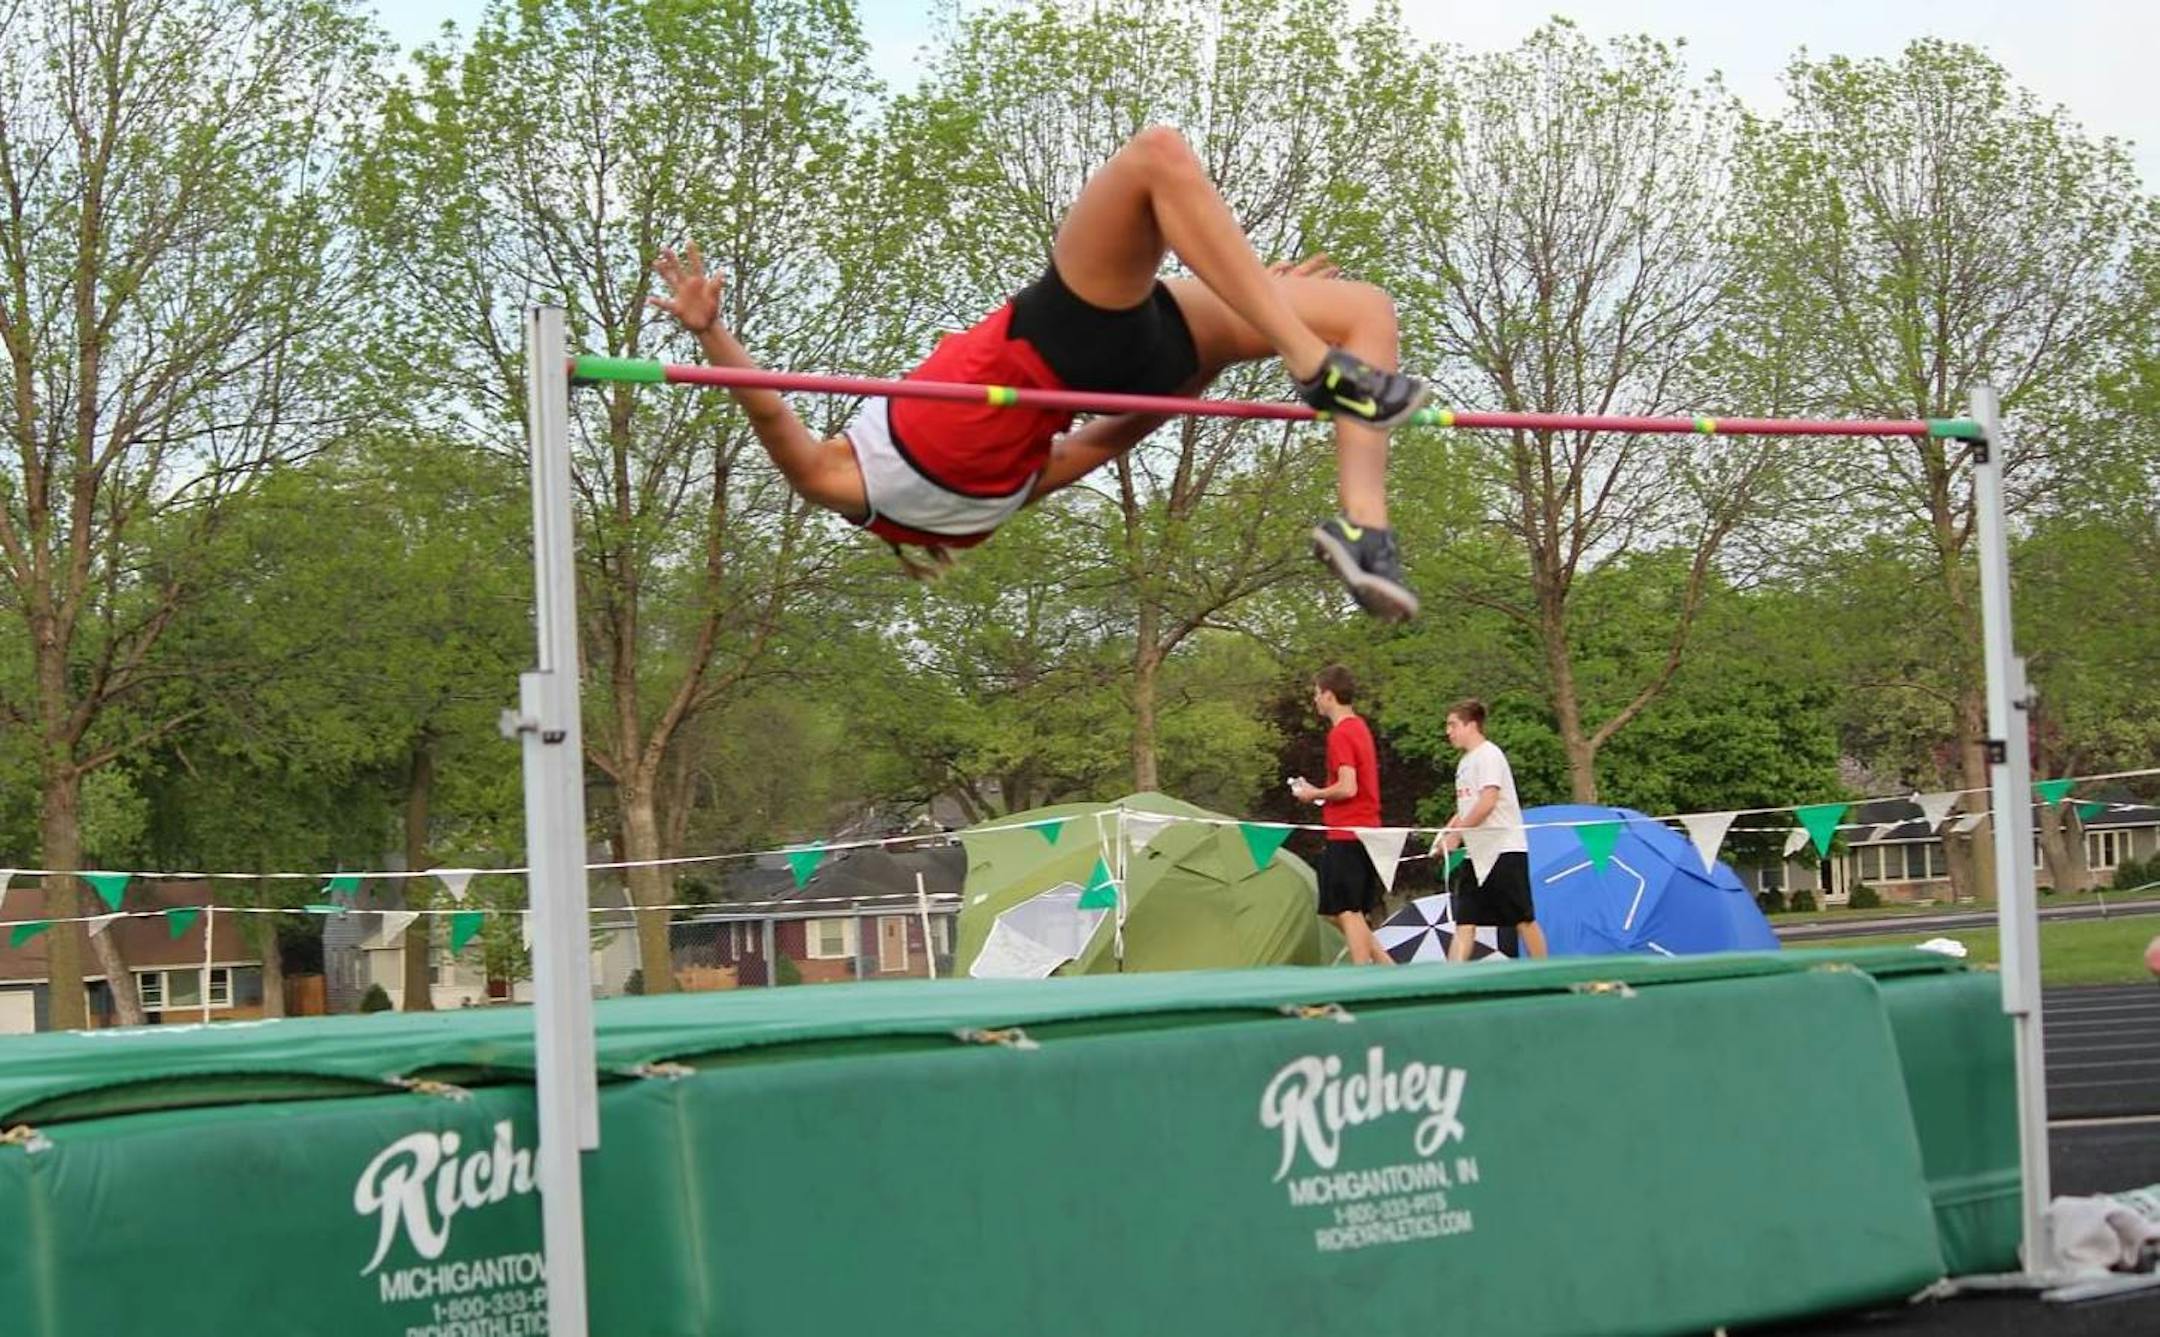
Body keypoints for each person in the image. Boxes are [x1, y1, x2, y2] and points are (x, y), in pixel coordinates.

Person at [647, 124, 1426, 619]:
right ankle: (1309, 365)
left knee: (1361, 311)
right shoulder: (851, 485)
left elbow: (1109, 439)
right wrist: (713, 335)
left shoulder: (988, 508)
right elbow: (770, 416)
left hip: (1140, 364)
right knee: (1157, 156)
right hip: (1069, 333)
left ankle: (1367, 530)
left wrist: (1228, 336)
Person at [1289, 665, 1396, 965]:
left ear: (1329, 695)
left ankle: (1362, 974)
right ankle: (1387, 965)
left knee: (1347, 911)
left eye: (1316, 694)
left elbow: (1348, 787)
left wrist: (1313, 794)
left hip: (1348, 831)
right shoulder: (1360, 727)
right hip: (1364, 830)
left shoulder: (1341, 734)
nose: (1315, 701)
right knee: (1337, 911)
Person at [1434, 699, 1547, 961]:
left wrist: (1457, 834)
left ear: (1471, 725)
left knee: (1523, 919)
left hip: (1504, 849)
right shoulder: (1464, 763)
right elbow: (1466, 807)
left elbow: (1487, 802)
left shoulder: (1489, 755)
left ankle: (1544, 973)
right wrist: (1445, 834)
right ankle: (1451, 983)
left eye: (1452, 725)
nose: (1448, 732)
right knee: (1465, 921)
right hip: (1477, 853)